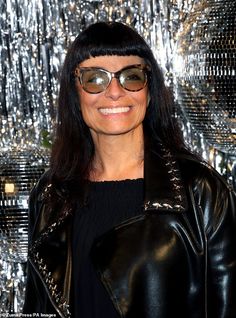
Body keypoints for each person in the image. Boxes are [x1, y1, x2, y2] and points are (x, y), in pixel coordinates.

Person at [23, 21, 236, 318]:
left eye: (131, 77)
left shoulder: (201, 190)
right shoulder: (50, 195)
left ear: (149, 92)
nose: (114, 92)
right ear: (75, 93)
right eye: (95, 79)